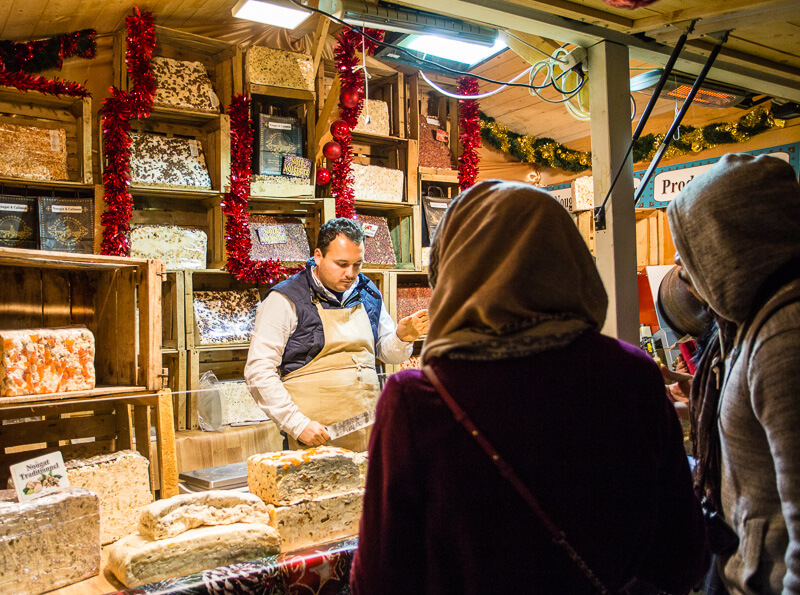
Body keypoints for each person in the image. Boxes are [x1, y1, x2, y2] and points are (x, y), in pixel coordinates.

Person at [350, 180, 709, 594]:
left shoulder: (416, 401)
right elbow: (683, 558)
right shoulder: (632, 374)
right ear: (568, 261)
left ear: (452, 270)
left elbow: (380, 580)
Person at [666, 153, 800, 593]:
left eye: (691, 254)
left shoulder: (785, 337)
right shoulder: (753, 319)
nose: (685, 273)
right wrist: (692, 407)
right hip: (740, 565)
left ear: (724, 245)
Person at [244, 218, 428, 452]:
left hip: (368, 431)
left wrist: (403, 337)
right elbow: (258, 370)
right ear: (318, 256)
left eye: (357, 264)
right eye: (341, 264)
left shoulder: (368, 292)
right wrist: (297, 424)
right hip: (313, 437)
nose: (350, 273)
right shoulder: (285, 299)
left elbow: (386, 354)